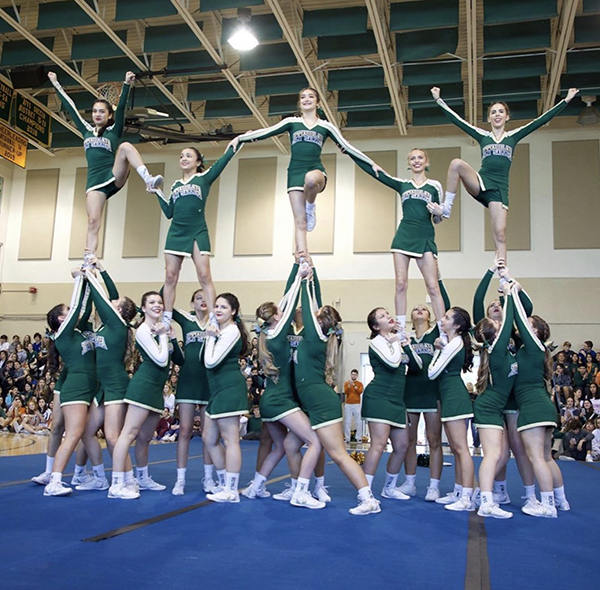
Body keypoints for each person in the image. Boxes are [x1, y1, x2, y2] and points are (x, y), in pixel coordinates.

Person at [430, 86, 579, 261]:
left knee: (500, 234)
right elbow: (458, 121)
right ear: (489, 118)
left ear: (507, 116)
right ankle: (446, 209)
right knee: (456, 164)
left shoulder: (513, 137)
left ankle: (503, 275)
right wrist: (438, 100)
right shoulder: (482, 135)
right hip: (481, 182)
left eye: (501, 111)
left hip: (499, 191)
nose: (497, 114)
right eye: (493, 112)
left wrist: (566, 100)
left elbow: (541, 120)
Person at [229, 87, 378, 256]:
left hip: (315, 171)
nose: (306, 99)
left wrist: (370, 162)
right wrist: (240, 138)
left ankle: (311, 205)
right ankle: (302, 259)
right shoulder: (291, 122)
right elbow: (266, 132)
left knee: (310, 179)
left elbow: (346, 146)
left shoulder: (326, 126)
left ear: (317, 102)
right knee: (300, 223)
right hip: (294, 173)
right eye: (303, 97)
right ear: (299, 103)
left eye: (311, 96)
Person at [47, 71, 163, 262]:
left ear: (110, 115)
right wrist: (55, 83)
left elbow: (123, 107)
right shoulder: (85, 130)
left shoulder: (114, 131)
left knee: (125, 146)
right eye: (95, 111)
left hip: (113, 174)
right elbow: (70, 107)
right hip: (95, 183)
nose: (97, 114)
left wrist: (126, 84)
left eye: (102, 111)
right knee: (93, 221)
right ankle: (89, 259)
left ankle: (148, 180)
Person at [294, 273, 380, 515]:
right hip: (315, 401)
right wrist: (313, 273)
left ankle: (368, 499)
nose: (314, 310)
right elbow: (315, 301)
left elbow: (309, 301)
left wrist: (302, 279)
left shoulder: (312, 334)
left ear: (318, 319)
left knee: (340, 455)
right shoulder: (319, 333)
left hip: (321, 402)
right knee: (301, 445)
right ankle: (301, 489)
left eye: (318, 311)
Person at [243, 263, 326, 509]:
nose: (285, 311)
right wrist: (301, 277)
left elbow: (288, 299)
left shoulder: (272, 333)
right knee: (314, 441)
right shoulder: (277, 334)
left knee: (280, 446)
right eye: (281, 311)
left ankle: (255, 486)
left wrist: (297, 268)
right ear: (277, 317)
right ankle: (300, 491)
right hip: (281, 400)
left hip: (274, 399)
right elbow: (290, 299)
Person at [350, 148, 446, 339]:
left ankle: (444, 330)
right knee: (401, 284)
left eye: (420, 158)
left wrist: (438, 211)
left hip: (425, 237)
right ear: (408, 163)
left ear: (426, 162)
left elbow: (438, 219)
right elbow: (377, 172)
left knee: (433, 286)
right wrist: (351, 153)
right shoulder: (403, 184)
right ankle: (401, 329)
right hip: (403, 237)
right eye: (412, 158)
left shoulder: (434, 186)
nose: (416, 161)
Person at [472, 260, 536, 509]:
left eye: (499, 304)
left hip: (515, 395)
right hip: (495, 392)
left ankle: (530, 494)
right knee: (499, 449)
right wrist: (490, 272)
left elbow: (526, 307)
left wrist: (509, 283)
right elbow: (478, 300)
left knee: (519, 447)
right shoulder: (489, 335)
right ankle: (497, 491)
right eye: (492, 306)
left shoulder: (517, 331)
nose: (496, 306)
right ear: (487, 319)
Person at [108, 291, 183, 499]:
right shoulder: (143, 330)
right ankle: (117, 483)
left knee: (145, 438)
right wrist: (161, 334)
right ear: (143, 308)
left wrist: (172, 337)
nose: (157, 305)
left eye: (159, 302)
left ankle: (142, 477)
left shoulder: (161, 328)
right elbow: (160, 359)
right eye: (151, 302)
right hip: (143, 387)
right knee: (129, 434)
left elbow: (178, 359)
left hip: (156, 390)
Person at [156, 146, 239, 329]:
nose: (184, 158)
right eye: (181, 155)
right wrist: (157, 192)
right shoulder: (175, 185)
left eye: (188, 155)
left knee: (204, 275)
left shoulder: (203, 178)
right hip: (176, 232)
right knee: (170, 276)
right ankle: (167, 319)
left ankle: (213, 320)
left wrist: (236, 143)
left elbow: (221, 163)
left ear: (198, 162)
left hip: (197, 230)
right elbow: (169, 212)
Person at [42, 272, 106, 497]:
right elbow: (78, 304)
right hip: (76, 387)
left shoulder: (77, 332)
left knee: (87, 433)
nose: (71, 313)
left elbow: (84, 306)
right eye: (67, 312)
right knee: (74, 433)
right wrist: (80, 279)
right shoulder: (64, 335)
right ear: (61, 319)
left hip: (91, 385)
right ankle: (54, 481)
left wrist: (90, 278)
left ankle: (91, 476)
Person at [510, 280, 570, 517]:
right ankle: (561, 500)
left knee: (536, 458)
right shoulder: (533, 349)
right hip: (544, 407)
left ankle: (547, 505)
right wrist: (515, 289)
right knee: (546, 457)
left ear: (534, 331)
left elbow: (519, 317)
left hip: (533, 408)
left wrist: (511, 293)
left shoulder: (533, 346)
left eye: (528, 325)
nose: (523, 326)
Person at [77, 264, 138, 491]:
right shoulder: (106, 325)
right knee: (86, 432)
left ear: (120, 311)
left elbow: (103, 298)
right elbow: (110, 295)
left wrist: (87, 277)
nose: (112, 302)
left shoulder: (117, 326)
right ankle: (101, 477)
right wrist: (100, 271)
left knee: (113, 437)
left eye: (116, 303)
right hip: (102, 387)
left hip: (116, 385)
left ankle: (129, 480)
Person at [362, 307, 422, 500]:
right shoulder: (377, 341)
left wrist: (407, 344)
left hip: (397, 400)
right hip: (379, 397)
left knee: (402, 445)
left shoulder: (396, 341)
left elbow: (418, 365)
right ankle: (365, 491)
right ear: (375, 326)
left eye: (387, 314)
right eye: (382, 316)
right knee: (378, 445)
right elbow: (394, 362)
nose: (388, 316)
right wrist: (396, 341)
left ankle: (389, 487)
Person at [472, 280, 516, 519]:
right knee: (493, 455)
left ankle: (480, 493)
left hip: (496, 408)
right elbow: (508, 319)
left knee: (502, 454)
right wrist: (508, 294)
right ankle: (486, 501)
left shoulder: (503, 348)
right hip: (488, 407)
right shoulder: (498, 346)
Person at [202, 293, 251, 503]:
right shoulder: (220, 330)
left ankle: (231, 490)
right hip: (217, 389)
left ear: (233, 311)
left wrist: (210, 337)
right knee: (209, 438)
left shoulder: (230, 331)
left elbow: (210, 361)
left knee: (231, 440)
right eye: (216, 306)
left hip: (229, 388)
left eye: (223, 307)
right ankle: (223, 483)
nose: (218, 310)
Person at [170, 288, 219, 496]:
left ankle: (208, 478)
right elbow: (166, 304)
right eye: (198, 298)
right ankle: (180, 479)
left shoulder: (217, 322)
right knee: (184, 430)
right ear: (192, 303)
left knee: (208, 435)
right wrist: (170, 277)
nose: (202, 301)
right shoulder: (187, 320)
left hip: (209, 382)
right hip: (188, 381)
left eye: (205, 297)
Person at [428, 307, 476, 511]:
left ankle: (467, 496)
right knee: (456, 450)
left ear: (456, 325)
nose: (442, 320)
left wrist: (438, 349)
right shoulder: (452, 342)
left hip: (455, 398)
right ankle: (458, 491)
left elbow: (432, 372)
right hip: (448, 396)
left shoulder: (455, 343)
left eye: (447, 318)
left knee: (461, 449)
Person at [343, 369, 364, 443]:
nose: (353, 376)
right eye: (352, 374)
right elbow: (346, 392)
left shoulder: (359, 384)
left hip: (357, 404)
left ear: (357, 376)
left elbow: (360, 391)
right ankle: (347, 437)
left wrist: (354, 385)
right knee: (347, 421)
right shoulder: (346, 383)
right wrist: (349, 386)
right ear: (351, 375)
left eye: (355, 374)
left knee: (358, 421)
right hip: (348, 404)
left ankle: (358, 437)